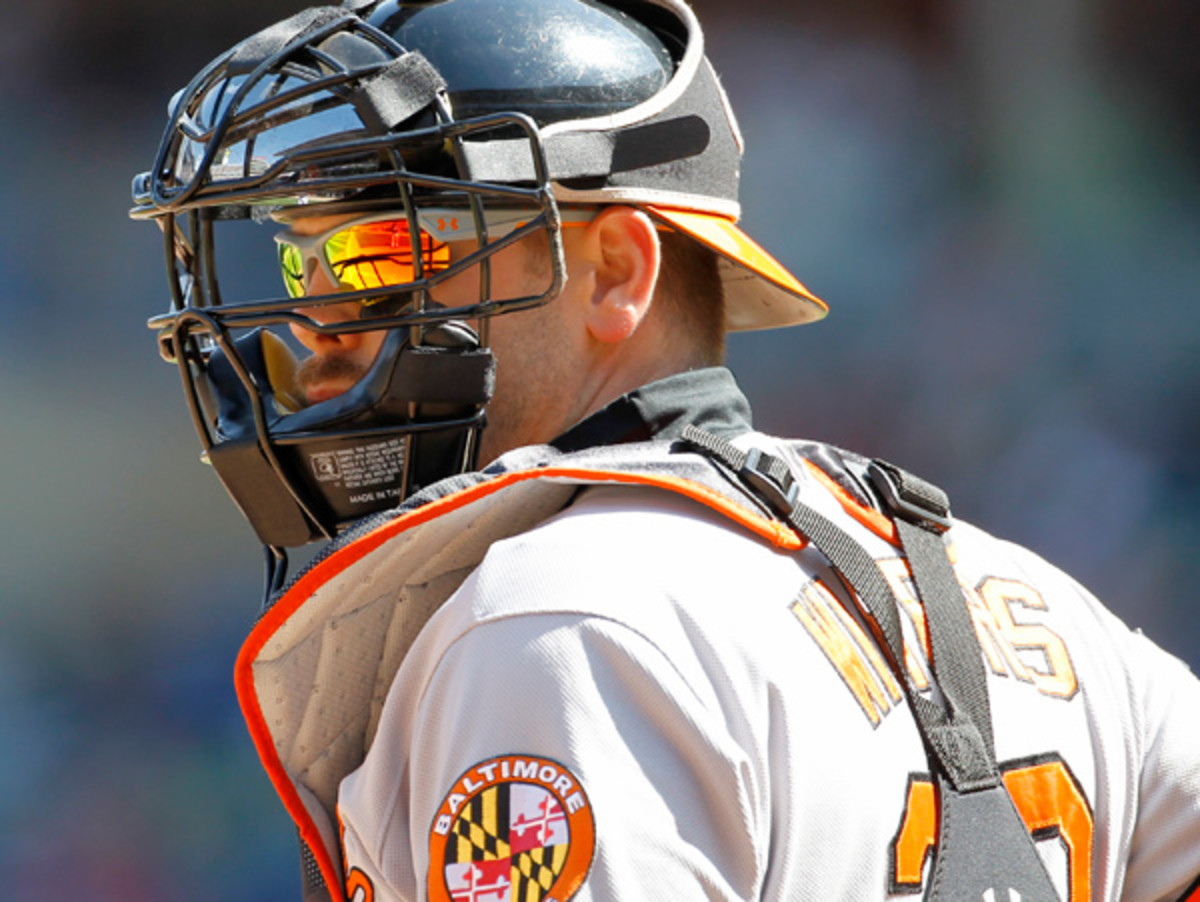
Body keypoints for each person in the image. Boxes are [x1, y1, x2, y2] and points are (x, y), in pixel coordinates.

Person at [132, 1, 1200, 900]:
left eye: (384, 250)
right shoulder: (1050, 613)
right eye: (305, 264)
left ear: (615, 272)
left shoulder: (551, 622)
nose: (313, 325)